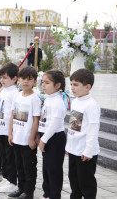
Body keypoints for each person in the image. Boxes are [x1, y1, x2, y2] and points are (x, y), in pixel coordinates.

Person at [66, 69, 100, 199]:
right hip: (74, 149)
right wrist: (69, 147)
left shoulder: (91, 105)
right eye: (71, 84)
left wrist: (88, 151)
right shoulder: (75, 101)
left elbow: (93, 129)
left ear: (87, 87)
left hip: (85, 152)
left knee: (86, 184)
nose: (72, 88)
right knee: (74, 181)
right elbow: (73, 127)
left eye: (76, 85)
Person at [8, 66, 41, 199]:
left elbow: (36, 120)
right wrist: (10, 133)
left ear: (35, 81)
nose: (26, 82)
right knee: (19, 165)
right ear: (18, 80)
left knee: (29, 167)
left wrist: (32, 138)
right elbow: (12, 116)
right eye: (23, 79)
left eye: (30, 79)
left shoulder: (35, 99)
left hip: (27, 140)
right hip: (16, 138)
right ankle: (20, 188)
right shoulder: (17, 95)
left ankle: (28, 192)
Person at [38, 70, 67, 199]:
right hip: (46, 136)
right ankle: (47, 193)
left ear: (57, 85)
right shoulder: (49, 99)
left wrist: (44, 139)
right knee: (46, 168)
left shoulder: (57, 102)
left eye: (47, 83)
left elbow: (54, 123)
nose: (43, 85)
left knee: (53, 169)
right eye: (43, 82)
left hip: (55, 138)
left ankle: (54, 195)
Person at [0, 63, 19, 193]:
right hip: (0, 129)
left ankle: (12, 181)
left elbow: (14, 114)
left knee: (10, 158)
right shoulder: (3, 91)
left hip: (8, 131)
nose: (2, 80)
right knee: (3, 156)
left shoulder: (15, 93)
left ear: (14, 79)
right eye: (1, 77)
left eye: (5, 77)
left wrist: (11, 132)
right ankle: (5, 177)